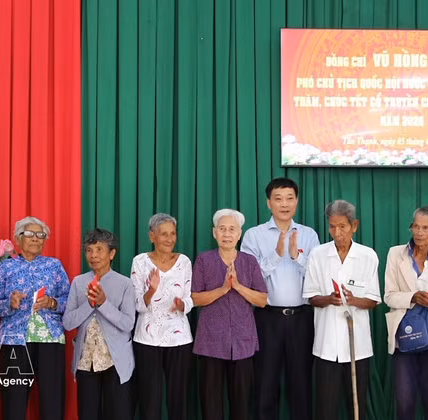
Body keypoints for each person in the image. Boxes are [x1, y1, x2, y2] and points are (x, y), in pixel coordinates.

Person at [240, 177, 320, 420]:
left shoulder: (308, 235)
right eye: (278, 199)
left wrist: (296, 257)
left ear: (296, 201)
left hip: (302, 319)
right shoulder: (254, 236)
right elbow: (248, 278)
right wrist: (276, 255)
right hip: (267, 318)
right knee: (265, 382)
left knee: (302, 383)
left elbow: (318, 277)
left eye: (290, 198)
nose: (284, 204)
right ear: (268, 203)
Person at [303, 199, 381, 420]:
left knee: (356, 406)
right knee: (325, 408)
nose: (336, 232)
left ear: (354, 225)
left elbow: (374, 300)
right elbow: (310, 298)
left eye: (342, 227)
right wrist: (328, 298)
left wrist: (353, 299)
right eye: (332, 226)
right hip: (326, 346)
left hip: (359, 346)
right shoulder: (318, 254)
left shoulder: (368, 255)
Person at [0, 217, 69, 420]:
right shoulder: (6, 267)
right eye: (30, 234)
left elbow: (69, 300)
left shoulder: (54, 265)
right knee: (13, 400)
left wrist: (52, 303)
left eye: (40, 235)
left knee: (51, 400)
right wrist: (10, 303)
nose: (36, 239)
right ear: (18, 239)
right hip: (14, 338)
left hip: (49, 338)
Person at [191, 209, 268, 420]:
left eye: (232, 229)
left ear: (239, 234)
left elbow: (262, 300)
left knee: (241, 404)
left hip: (243, 343)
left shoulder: (249, 262)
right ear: (214, 233)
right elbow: (195, 299)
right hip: (210, 342)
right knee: (211, 404)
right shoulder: (204, 260)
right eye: (222, 229)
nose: (227, 234)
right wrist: (223, 289)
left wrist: (238, 287)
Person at [384, 207, 428, 420]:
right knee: (404, 404)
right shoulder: (395, 254)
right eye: (416, 226)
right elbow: (388, 296)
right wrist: (412, 297)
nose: (419, 232)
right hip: (404, 338)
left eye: (425, 228)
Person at [63, 228, 136, 420]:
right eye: (89, 250)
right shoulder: (79, 282)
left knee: (118, 414)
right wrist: (90, 304)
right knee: (87, 414)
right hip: (86, 362)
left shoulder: (125, 284)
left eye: (99, 249)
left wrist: (103, 304)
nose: (93, 255)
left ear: (111, 253)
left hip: (116, 362)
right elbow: (68, 322)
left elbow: (128, 324)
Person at [131, 213, 194, 420]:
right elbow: (137, 305)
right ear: (152, 236)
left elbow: (189, 298)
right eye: (163, 234)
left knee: (179, 400)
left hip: (180, 339)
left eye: (173, 234)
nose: (169, 239)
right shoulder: (140, 261)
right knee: (149, 399)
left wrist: (182, 304)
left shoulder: (184, 261)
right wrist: (152, 290)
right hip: (147, 340)